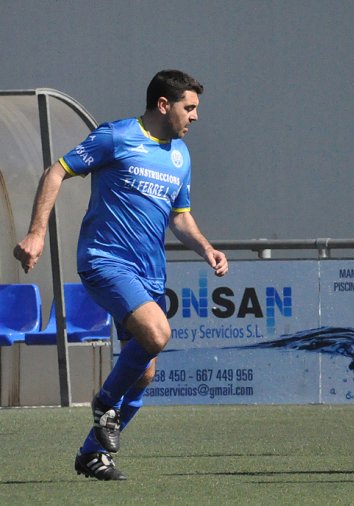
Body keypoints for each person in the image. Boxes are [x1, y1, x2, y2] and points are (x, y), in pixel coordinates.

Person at [14, 69, 228, 481]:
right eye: (190, 107)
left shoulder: (180, 156)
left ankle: (92, 454)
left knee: (144, 370)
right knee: (157, 334)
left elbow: (179, 217)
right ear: (164, 105)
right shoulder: (117, 136)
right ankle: (104, 404)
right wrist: (36, 233)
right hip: (105, 260)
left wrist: (206, 249)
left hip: (148, 272)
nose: (196, 117)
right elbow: (57, 171)